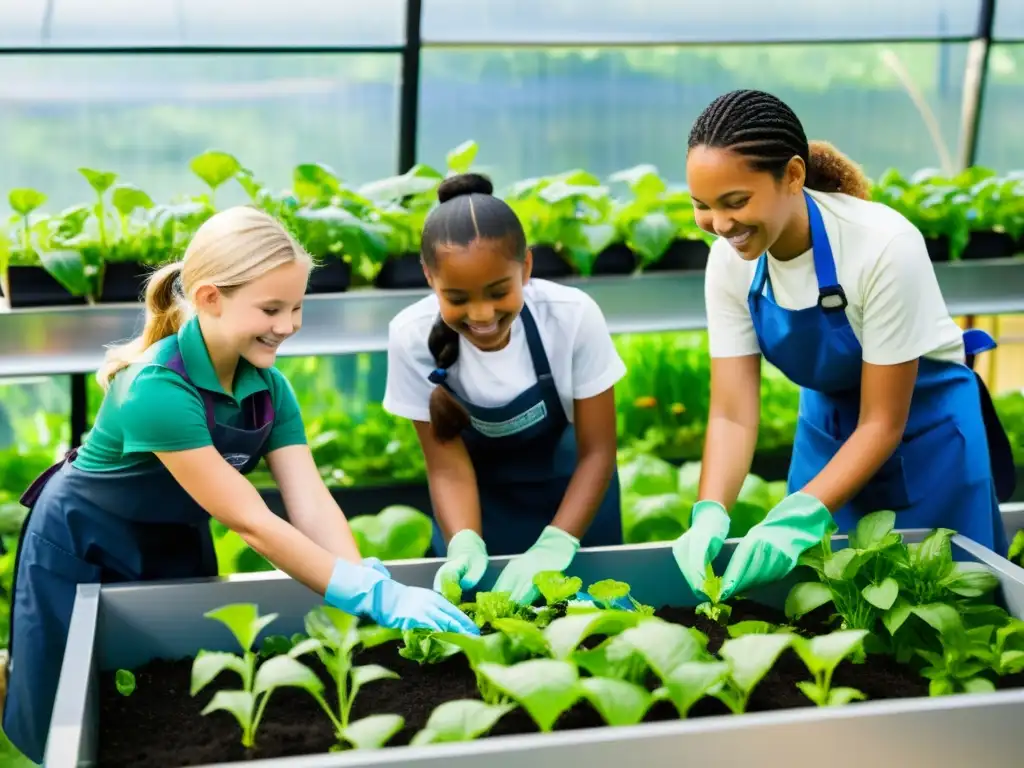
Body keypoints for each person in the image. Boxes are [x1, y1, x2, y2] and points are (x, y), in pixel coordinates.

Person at [2, 206, 477, 764]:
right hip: (82, 544)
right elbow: (252, 522)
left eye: (297, 306)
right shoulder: (155, 388)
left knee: (173, 696)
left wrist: (362, 581)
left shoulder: (270, 390)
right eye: (271, 308)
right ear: (209, 298)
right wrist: (371, 593)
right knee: (71, 717)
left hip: (173, 534)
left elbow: (309, 499)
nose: (289, 324)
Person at [672, 89, 1015, 603]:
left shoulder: (881, 245)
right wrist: (709, 510)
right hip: (828, 426)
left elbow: (882, 421)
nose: (720, 226)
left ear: (792, 175)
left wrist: (799, 516)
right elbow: (732, 414)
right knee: (825, 606)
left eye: (736, 202)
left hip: (925, 432)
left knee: (941, 606)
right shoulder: (729, 262)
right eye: (702, 206)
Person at [382, 173, 627, 606]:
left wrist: (557, 544)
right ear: (428, 277)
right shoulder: (410, 335)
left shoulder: (571, 317)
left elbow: (598, 451)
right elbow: (445, 466)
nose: (482, 314)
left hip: (575, 503)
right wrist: (464, 541)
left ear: (526, 267)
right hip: (479, 507)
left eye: (499, 292)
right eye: (457, 298)